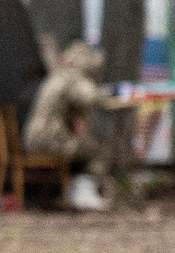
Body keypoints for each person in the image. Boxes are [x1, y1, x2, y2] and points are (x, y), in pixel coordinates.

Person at [23, 41, 113, 212]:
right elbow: (90, 96)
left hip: (35, 139)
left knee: (86, 144)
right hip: (50, 140)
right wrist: (113, 93)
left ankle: (77, 191)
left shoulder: (57, 76)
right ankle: (84, 193)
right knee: (98, 149)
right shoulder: (71, 78)